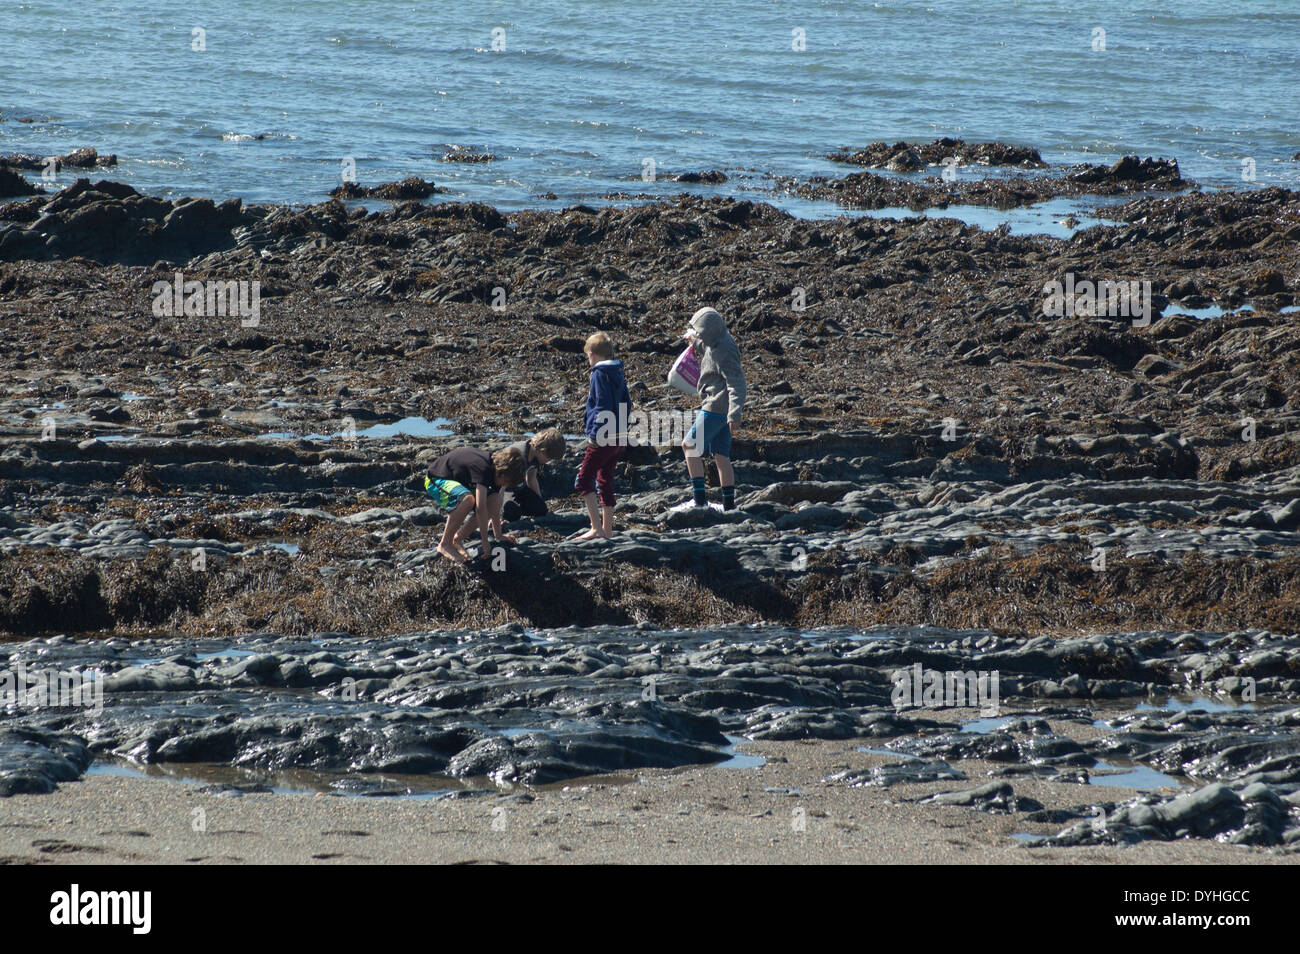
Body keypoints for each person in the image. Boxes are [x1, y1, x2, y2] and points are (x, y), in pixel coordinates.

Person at [681, 306, 746, 509]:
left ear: (709, 332)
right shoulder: (717, 340)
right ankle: (728, 505)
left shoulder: (726, 350)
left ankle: (699, 501)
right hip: (721, 408)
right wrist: (695, 342)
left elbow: (737, 383)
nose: (698, 334)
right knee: (721, 455)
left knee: (689, 445)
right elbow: (709, 350)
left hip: (716, 407)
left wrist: (735, 414)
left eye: (700, 332)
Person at [574, 331, 632, 540]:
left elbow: (601, 405)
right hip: (619, 436)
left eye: (588, 356)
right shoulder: (618, 372)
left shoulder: (599, 374)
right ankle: (607, 530)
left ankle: (596, 528)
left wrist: (597, 434)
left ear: (592, 354)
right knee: (605, 479)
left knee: (583, 481)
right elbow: (627, 403)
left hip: (603, 437)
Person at [424, 445, 525, 563]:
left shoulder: (497, 471)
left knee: (494, 500)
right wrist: (485, 541)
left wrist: (499, 535)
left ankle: (457, 539)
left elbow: (495, 506)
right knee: (467, 500)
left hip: (461, 482)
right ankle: (445, 544)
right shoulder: (483, 469)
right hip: (436, 479)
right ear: (501, 473)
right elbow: (480, 508)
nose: (506, 485)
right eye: (506, 481)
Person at [500, 427, 567, 522]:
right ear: (542, 451)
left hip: (519, 487)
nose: (549, 461)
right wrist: (497, 513)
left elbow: (531, 479)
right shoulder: (518, 455)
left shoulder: (535, 456)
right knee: (512, 513)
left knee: (541, 509)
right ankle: (507, 511)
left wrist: (539, 501)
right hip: (504, 488)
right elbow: (501, 483)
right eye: (549, 458)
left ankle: (517, 509)